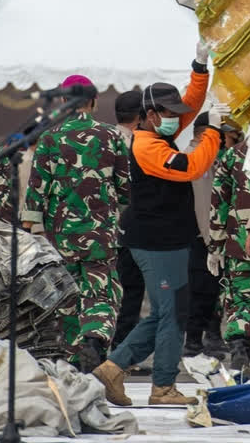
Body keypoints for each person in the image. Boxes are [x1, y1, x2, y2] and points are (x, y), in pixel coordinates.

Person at [94, 43, 224, 406]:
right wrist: (212, 133)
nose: (176, 118)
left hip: (166, 238)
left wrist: (200, 66)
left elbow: (192, 102)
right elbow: (192, 167)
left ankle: (111, 370)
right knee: (173, 317)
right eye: (169, 114)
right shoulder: (147, 146)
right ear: (151, 115)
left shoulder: (158, 130)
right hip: (157, 241)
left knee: (169, 313)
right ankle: (163, 387)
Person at [22, 75, 130, 373]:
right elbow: (125, 188)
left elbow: (36, 194)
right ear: (94, 101)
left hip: (61, 237)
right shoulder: (111, 136)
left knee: (67, 297)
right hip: (101, 234)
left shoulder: (49, 138)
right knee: (101, 292)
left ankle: (72, 363)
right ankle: (94, 340)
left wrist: (33, 232)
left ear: (62, 102)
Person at [208, 129, 250, 370]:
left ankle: (240, 343)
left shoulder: (234, 154)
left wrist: (216, 243)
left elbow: (219, 198)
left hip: (240, 238)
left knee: (241, 297)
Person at [184, 112, 226, 359]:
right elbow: (202, 202)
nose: (220, 140)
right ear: (202, 134)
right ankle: (193, 340)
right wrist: (210, 240)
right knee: (200, 288)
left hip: (207, 235)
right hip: (200, 235)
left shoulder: (207, 158)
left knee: (210, 288)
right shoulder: (194, 158)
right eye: (216, 134)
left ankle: (209, 336)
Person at [110, 92, 145, 355]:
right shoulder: (139, 143)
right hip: (131, 229)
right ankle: (121, 350)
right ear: (141, 115)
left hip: (102, 231)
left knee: (106, 293)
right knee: (131, 292)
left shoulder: (104, 138)